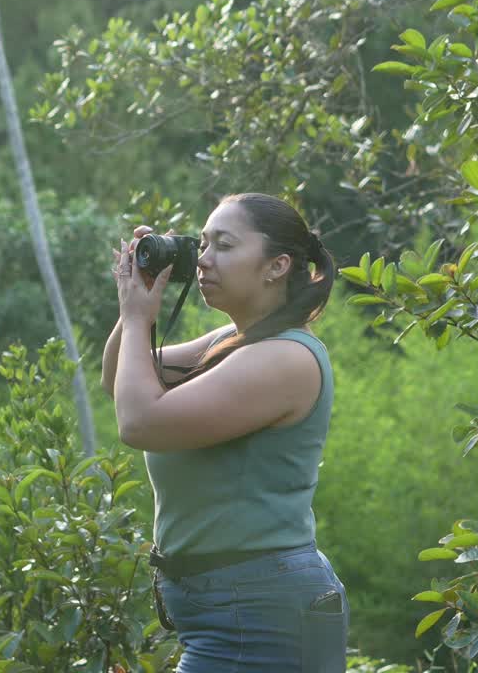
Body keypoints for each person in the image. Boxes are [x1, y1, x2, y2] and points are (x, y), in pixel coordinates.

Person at [100, 192, 348, 672]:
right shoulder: (227, 343)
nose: (203, 260)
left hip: (260, 618)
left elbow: (139, 421)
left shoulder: (286, 357)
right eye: (202, 243)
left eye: (225, 246)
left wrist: (137, 318)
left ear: (277, 266)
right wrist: (136, 304)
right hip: (232, 609)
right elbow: (117, 381)